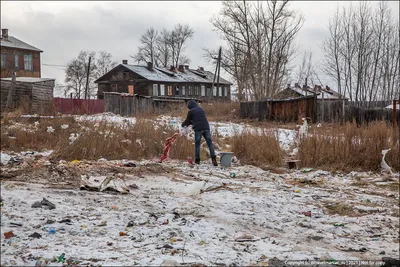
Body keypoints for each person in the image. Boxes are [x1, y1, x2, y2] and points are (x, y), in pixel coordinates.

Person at [181, 100, 218, 166]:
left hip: (198, 129)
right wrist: (192, 122)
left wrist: (183, 124)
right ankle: (214, 159)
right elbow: (199, 119)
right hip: (206, 127)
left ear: (190, 106)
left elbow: (187, 121)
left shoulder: (191, 111)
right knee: (210, 144)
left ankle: (197, 160)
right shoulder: (201, 109)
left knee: (197, 144)